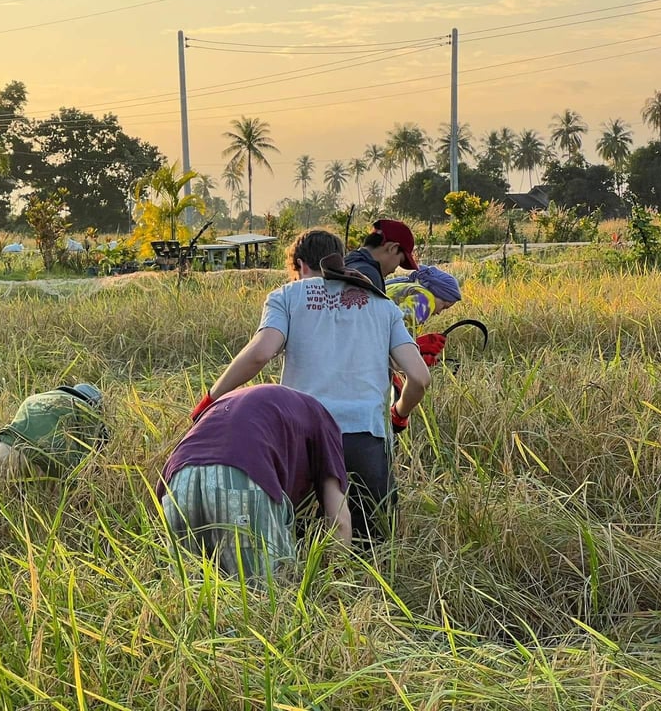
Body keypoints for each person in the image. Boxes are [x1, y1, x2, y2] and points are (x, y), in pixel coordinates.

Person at [191, 229, 430, 541]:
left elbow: (261, 353)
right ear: (339, 260)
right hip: (364, 438)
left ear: (299, 266)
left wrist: (211, 399)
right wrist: (399, 414)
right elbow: (420, 377)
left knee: (298, 541)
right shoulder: (382, 305)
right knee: (370, 546)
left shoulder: (287, 296)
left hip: (302, 438)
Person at [159, 384, 350, 583]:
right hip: (240, 481)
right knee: (267, 603)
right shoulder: (324, 421)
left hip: (178, 483)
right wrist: (335, 585)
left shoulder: (244, 400)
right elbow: (339, 522)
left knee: (191, 599)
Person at [0, 383, 108, 479]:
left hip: (3, 451)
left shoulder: (36, 397)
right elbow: (88, 461)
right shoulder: (85, 410)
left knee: (11, 499)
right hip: (37, 463)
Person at [386, 265, 463, 368]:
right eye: (444, 306)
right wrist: (416, 359)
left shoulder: (405, 286)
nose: (439, 312)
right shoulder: (426, 299)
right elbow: (401, 330)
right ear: (437, 293)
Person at [344, 218, 419, 292]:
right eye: (400, 261)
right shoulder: (368, 274)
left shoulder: (347, 262)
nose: (393, 271)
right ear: (393, 248)